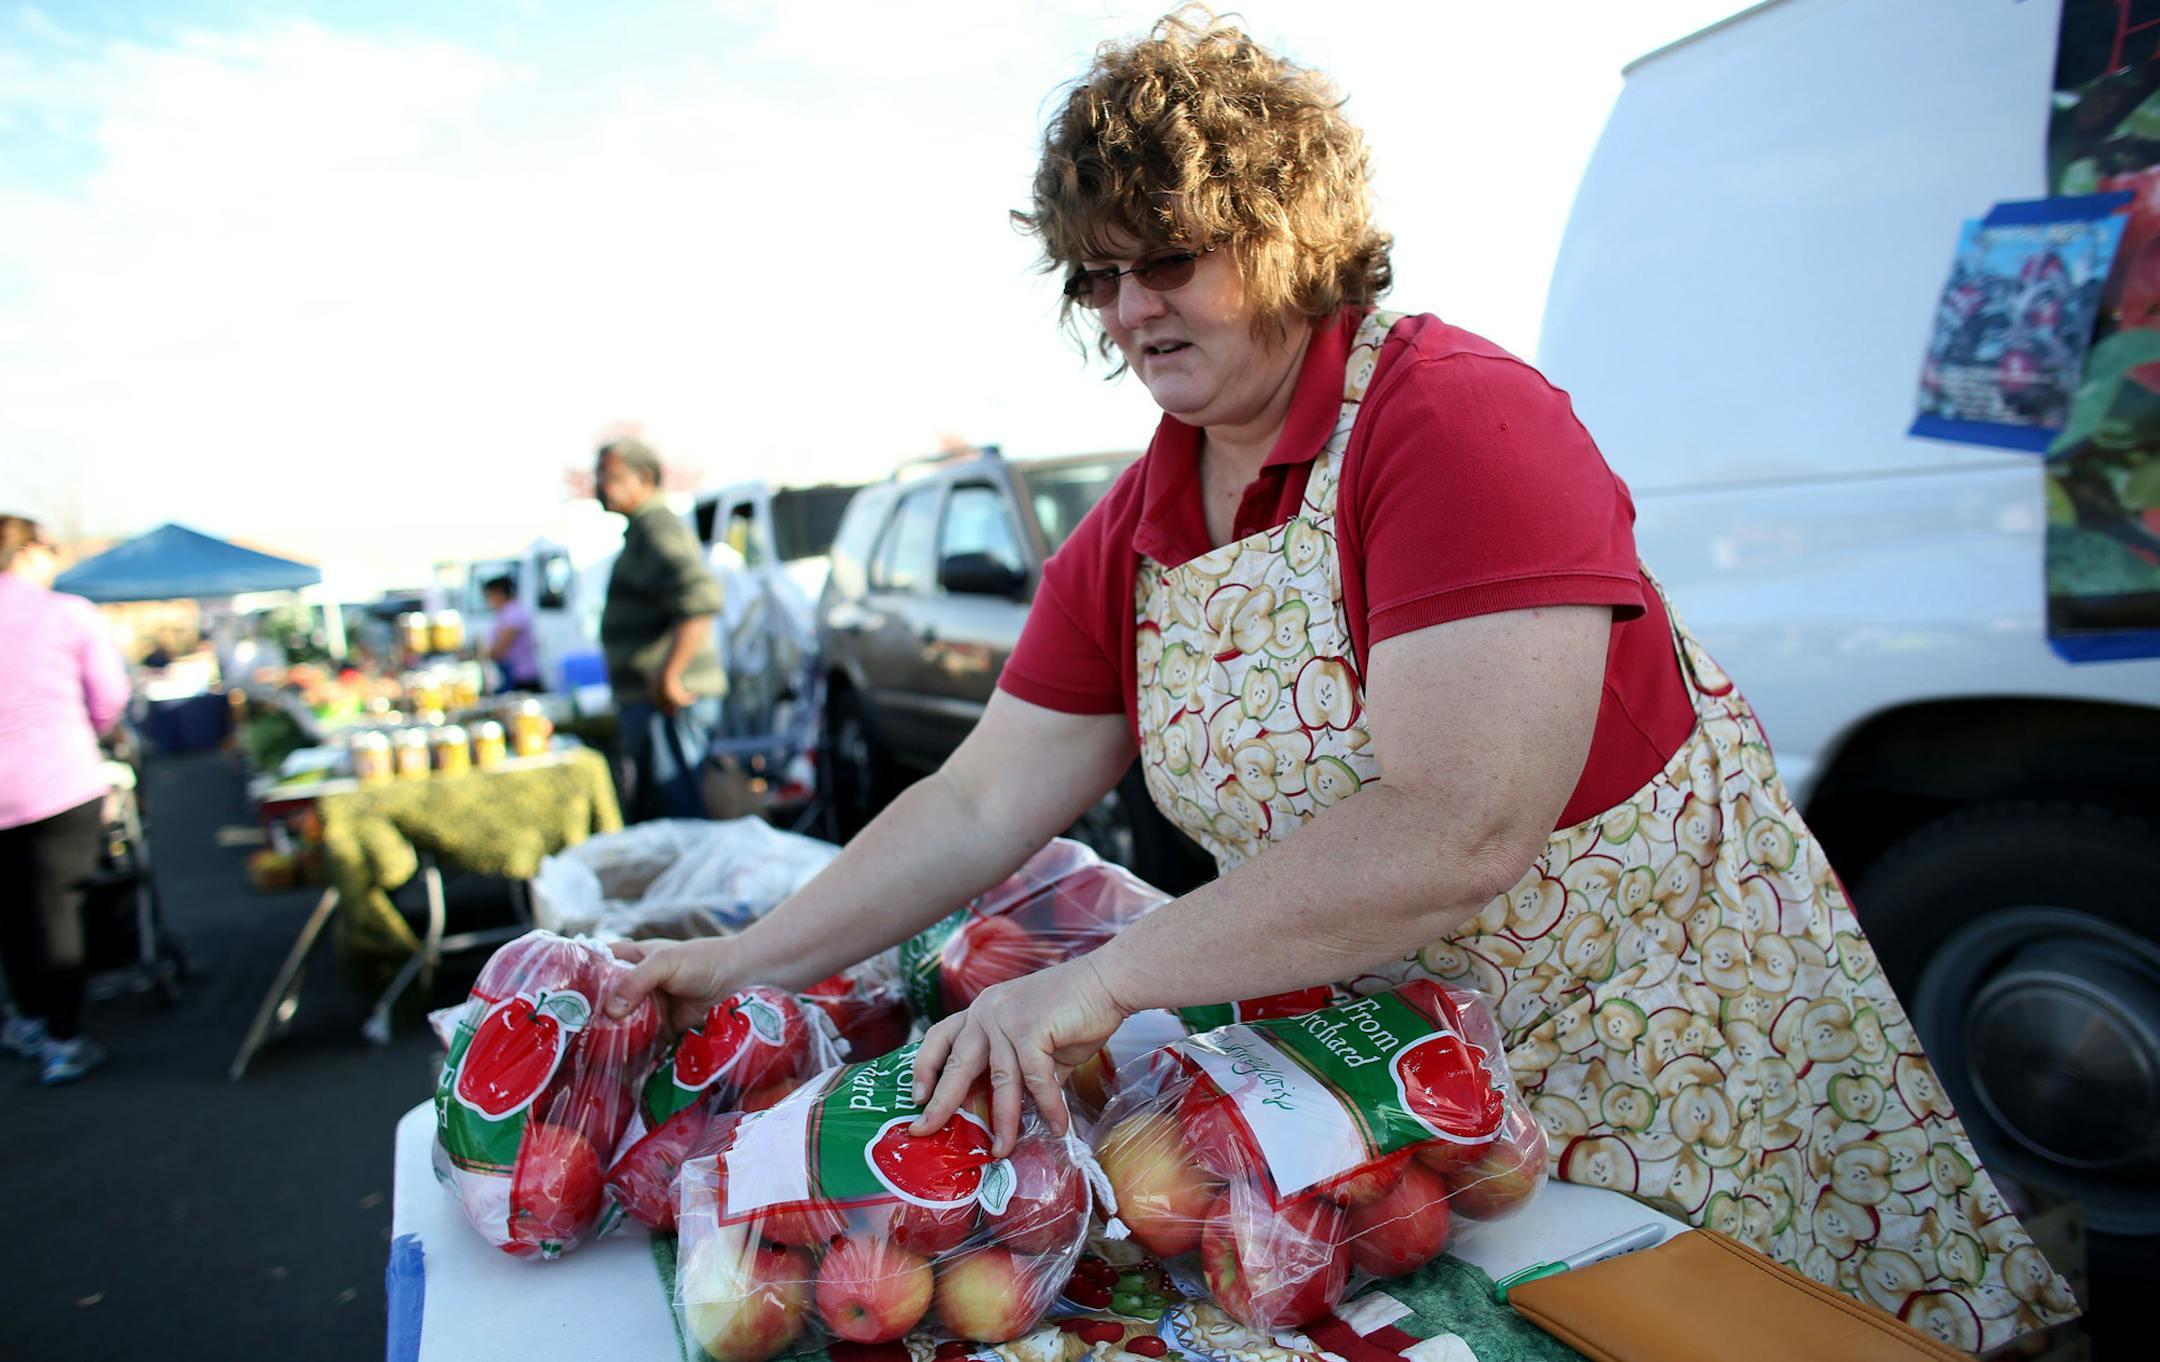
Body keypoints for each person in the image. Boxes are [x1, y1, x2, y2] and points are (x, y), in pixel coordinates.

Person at [609, 10, 2073, 1344]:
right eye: (1097, 276)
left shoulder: (1454, 421)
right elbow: (984, 794)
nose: (1126, 310)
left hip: (1669, 1062)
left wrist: (1103, 983)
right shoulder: (1139, 521)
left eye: (1166, 257)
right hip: (1410, 1099)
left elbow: (1459, 824)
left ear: (1290, 229)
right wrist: (737, 963)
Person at [0, 514, 129, 1085]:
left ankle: (27, 1020)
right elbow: (110, 698)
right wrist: (94, 732)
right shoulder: (65, 613)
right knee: (58, 910)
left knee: (12, 913)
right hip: (57, 782)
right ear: (28, 553)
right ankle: (62, 1038)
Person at [594, 438, 726, 820]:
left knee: (681, 821)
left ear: (644, 478)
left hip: (670, 701)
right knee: (670, 815)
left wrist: (670, 674)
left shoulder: (657, 527)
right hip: (654, 700)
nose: (602, 485)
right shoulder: (643, 530)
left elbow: (700, 596)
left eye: (612, 475)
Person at [481, 575, 542, 692]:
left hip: (521, 678)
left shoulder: (513, 614)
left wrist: (477, 654)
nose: (488, 601)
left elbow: (500, 650)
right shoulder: (506, 613)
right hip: (515, 676)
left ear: (498, 593)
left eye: (489, 596)